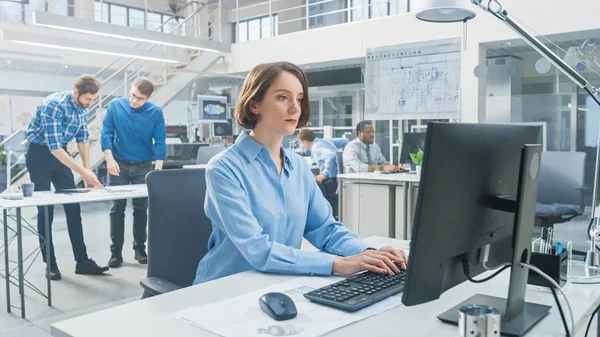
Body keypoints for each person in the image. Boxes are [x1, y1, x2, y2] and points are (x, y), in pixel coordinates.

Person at [193, 61, 408, 285]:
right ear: (254, 104)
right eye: (282, 97)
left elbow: (324, 228)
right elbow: (258, 250)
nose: (295, 109)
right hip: (224, 289)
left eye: (299, 98)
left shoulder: (297, 166)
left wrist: (370, 253)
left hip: (278, 281)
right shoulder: (224, 168)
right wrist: (337, 263)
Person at [25, 74, 109, 280]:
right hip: (40, 155)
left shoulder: (81, 107)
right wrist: (83, 171)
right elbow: (53, 148)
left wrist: (88, 169)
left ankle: (82, 262)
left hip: (61, 154)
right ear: (76, 92)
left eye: (93, 100)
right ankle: (50, 264)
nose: (90, 103)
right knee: (46, 212)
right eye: (88, 99)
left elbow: (82, 138)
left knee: (74, 208)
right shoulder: (53, 105)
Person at [101, 78, 166, 267]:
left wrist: (158, 168)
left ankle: (139, 249)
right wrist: (109, 158)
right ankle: (116, 253)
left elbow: (160, 140)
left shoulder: (155, 112)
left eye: (139, 98)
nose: (134, 101)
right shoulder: (115, 106)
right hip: (118, 164)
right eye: (132, 95)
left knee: (140, 209)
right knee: (117, 208)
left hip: (143, 167)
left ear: (148, 97)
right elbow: (106, 132)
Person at [297, 129, 348, 218]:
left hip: (330, 180)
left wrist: (325, 173)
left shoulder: (316, 147)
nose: (303, 146)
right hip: (337, 177)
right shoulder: (324, 141)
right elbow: (345, 141)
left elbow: (330, 155)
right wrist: (345, 158)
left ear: (305, 141)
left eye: (301, 143)